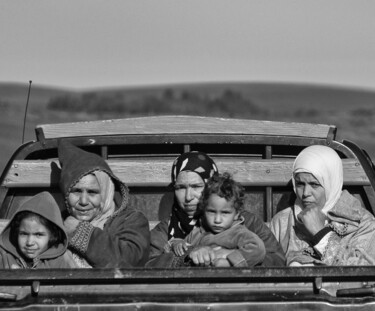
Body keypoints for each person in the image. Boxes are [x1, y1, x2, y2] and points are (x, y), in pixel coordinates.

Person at [147, 151, 285, 267]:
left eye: (196, 186)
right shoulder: (166, 229)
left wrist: (230, 256)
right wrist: (190, 255)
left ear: (211, 186)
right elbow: (147, 265)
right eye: (180, 188)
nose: (188, 197)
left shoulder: (247, 222)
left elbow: (277, 259)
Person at [270, 145, 375, 266]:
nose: (305, 193)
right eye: (300, 184)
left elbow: (366, 273)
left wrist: (321, 234)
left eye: (314, 184)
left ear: (331, 183)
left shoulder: (363, 224)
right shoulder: (282, 222)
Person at [58, 140, 150, 268]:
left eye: (92, 192)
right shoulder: (55, 222)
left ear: (106, 193)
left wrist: (80, 232)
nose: (83, 201)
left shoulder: (131, 220)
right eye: (77, 191)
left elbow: (130, 260)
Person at [172, 173, 266, 267]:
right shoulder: (197, 233)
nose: (217, 220)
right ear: (204, 210)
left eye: (225, 213)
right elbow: (182, 251)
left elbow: (258, 249)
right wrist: (178, 243)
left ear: (236, 214)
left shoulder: (239, 233)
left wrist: (229, 261)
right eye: (211, 212)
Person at [0, 191, 76, 269]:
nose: (29, 242)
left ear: (53, 236)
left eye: (38, 234)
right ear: (16, 233)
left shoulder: (61, 261)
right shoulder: (4, 258)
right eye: (24, 234)